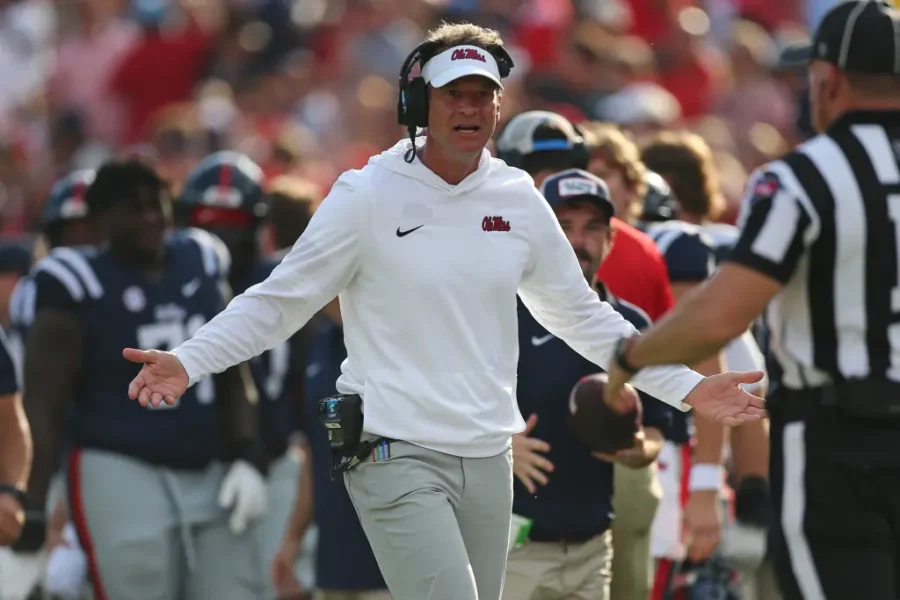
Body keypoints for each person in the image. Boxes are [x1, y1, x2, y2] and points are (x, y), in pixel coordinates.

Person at [124, 23, 764, 600]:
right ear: (418, 105)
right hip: (393, 449)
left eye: (481, 94)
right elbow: (279, 300)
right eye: (453, 93)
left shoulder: (517, 197)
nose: (468, 108)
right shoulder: (366, 194)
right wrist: (187, 362)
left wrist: (689, 388)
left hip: (488, 458)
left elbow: (584, 318)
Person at [602, 2, 900, 598]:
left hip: (835, 439)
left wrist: (630, 357)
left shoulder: (799, 179)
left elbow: (719, 316)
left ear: (826, 80)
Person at [22, 157, 268, 600]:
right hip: (119, 464)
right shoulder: (74, 281)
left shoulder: (200, 258)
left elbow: (234, 368)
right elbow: (43, 408)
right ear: (101, 219)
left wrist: (248, 453)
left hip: (206, 462)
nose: (150, 217)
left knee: (233, 589)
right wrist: (33, 505)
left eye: (156, 205)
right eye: (133, 209)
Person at [495, 110, 677, 600]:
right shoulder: (499, 309)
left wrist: (636, 450)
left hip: (594, 546)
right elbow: (445, 401)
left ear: (612, 237)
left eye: (593, 227)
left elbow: (658, 429)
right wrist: (499, 446)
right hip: (512, 547)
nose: (577, 241)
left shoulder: (633, 324)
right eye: (564, 224)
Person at [174, 152, 318, 598]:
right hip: (194, 467)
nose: (220, 235)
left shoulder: (279, 279)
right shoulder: (171, 283)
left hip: (280, 465)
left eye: (233, 222)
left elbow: (307, 379)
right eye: (207, 221)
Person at [640, 131, 777, 599]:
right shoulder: (725, 242)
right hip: (725, 458)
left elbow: (742, 385)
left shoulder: (680, 248)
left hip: (702, 461)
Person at [496, 112, 675, 322]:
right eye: (533, 170)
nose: (578, 239)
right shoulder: (641, 248)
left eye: (561, 168)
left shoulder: (638, 251)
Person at [272, 297, 391, 600]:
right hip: (334, 565)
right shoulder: (319, 342)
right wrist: (292, 537)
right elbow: (318, 450)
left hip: (396, 564)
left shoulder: (399, 338)